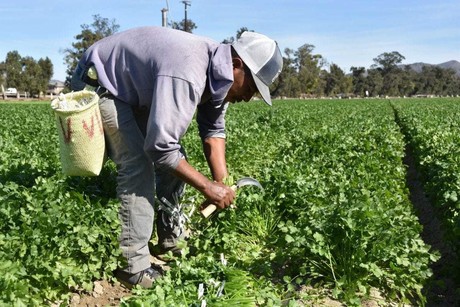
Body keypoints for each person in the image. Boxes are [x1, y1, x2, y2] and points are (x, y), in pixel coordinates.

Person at [71, 26, 282, 289]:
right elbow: (160, 148)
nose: (249, 97)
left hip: (134, 89)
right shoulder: (188, 71)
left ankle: (170, 241)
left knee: (177, 158)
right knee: (139, 162)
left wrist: (221, 182)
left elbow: (214, 132)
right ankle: (133, 267)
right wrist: (207, 187)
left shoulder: (221, 76)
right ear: (236, 65)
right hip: (102, 84)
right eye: (251, 87)